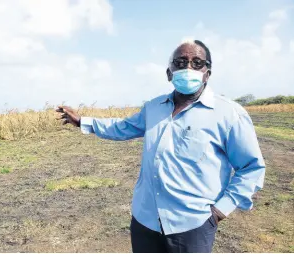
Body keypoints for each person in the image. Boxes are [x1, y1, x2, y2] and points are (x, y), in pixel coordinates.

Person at [56, 40, 265, 253]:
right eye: (180, 62)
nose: (188, 68)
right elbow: (123, 127)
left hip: (193, 225)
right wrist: (83, 121)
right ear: (169, 72)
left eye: (197, 62)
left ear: (207, 73)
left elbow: (251, 168)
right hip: (145, 219)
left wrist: (219, 211)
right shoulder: (153, 108)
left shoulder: (229, 114)